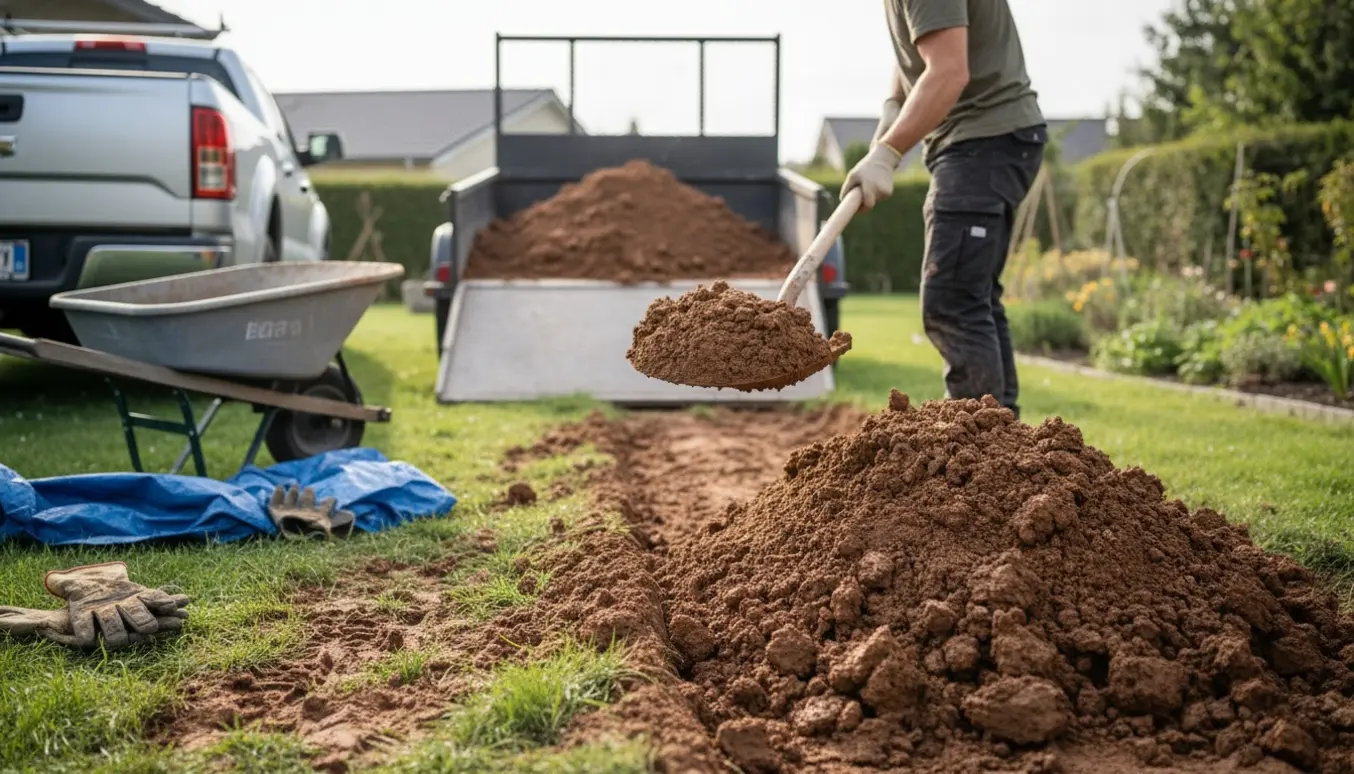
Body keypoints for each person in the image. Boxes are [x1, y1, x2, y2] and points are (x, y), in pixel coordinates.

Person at [841, 0, 1046, 419]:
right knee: (974, 297)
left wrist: (889, 152)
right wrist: (892, 109)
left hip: (981, 140)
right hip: (994, 138)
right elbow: (922, 47)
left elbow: (949, 70)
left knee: (952, 300)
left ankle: (977, 445)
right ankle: (1003, 437)